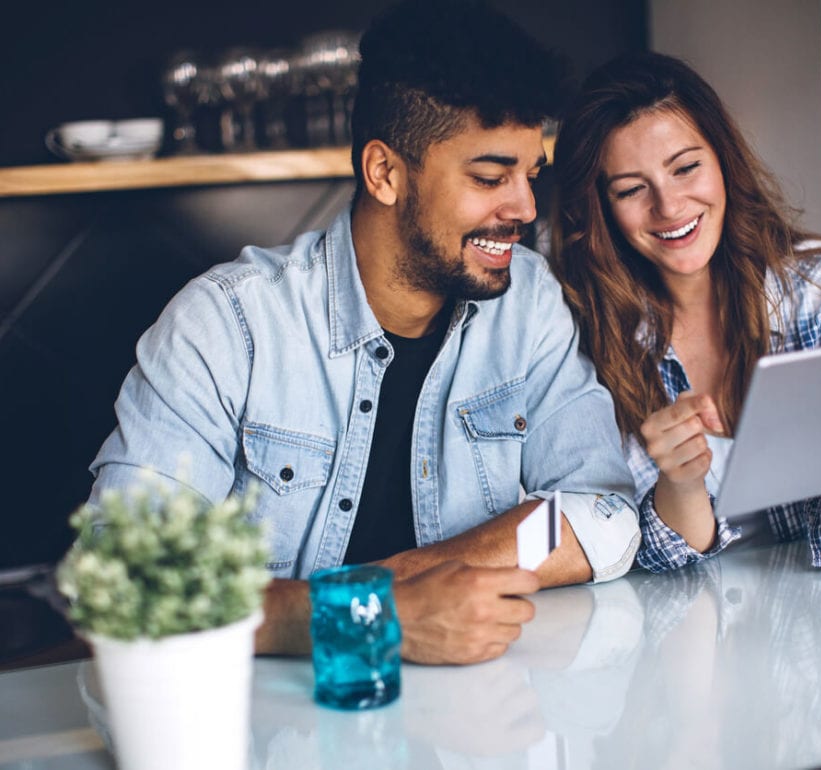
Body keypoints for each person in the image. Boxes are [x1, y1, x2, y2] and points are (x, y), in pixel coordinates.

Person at [87, 0, 640, 664]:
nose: (523, 207)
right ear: (385, 173)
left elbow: (598, 510)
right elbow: (126, 582)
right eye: (490, 178)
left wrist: (404, 579)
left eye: (530, 176)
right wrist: (371, 617)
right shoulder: (226, 327)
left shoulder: (527, 302)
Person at [549, 51, 821, 571]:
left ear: (723, 161)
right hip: (680, 640)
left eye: (686, 168)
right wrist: (680, 486)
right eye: (632, 190)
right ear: (601, 208)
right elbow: (637, 558)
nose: (669, 206)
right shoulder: (578, 335)